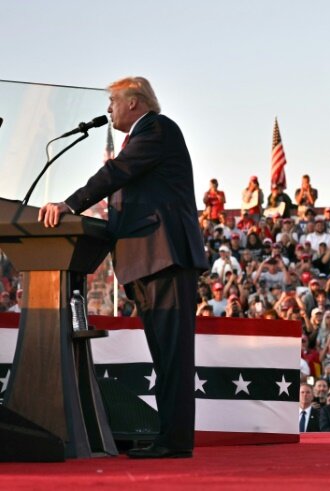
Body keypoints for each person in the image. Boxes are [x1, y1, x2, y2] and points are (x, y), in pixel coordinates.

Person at [38, 77, 207, 458]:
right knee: (164, 355)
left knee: (172, 354)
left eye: (113, 101)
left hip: (165, 257)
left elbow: (116, 173)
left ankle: (175, 441)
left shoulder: (158, 129)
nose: (109, 109)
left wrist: (71, 204)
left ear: (134, 102)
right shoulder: (144, 136)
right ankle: (170, 437)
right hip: (148, 260)